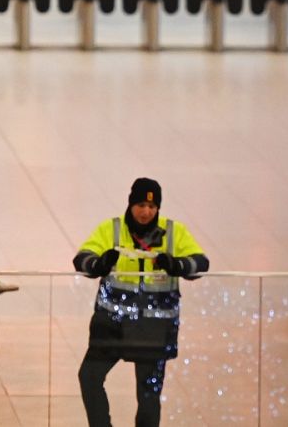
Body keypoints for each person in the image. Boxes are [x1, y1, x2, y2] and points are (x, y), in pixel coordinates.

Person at [73, 177, 209, 427]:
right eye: (140, 205)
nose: (146, 211)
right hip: (112, 326)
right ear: (130, 204)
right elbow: (82, 259)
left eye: (152, 207)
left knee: (148, 397)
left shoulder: (172, 232)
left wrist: (176, 265)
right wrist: (98, 263)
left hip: (153, 331)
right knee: (89, 377)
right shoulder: (111, 229)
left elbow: (200, 264)